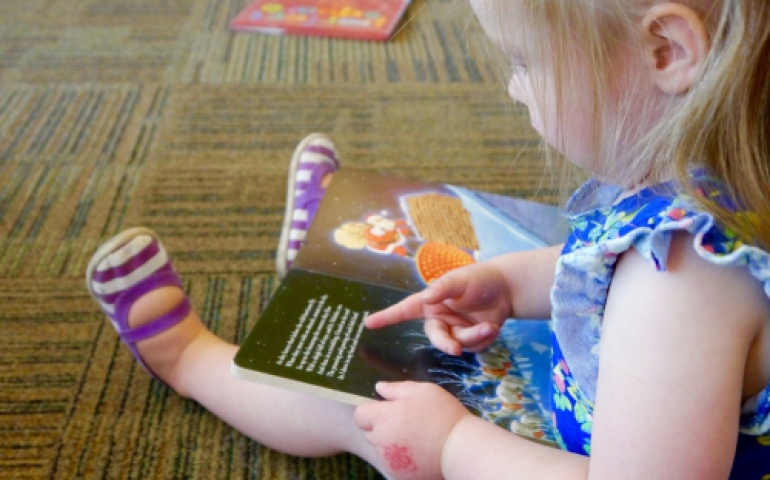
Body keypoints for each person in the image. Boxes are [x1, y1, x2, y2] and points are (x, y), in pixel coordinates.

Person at [85, 0, 770, 478]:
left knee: (365, 407)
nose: (512, 88)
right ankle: (328, 250)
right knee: (472, 243)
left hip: (573, 457)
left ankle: (188, 357)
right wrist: (511, 284)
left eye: (523, 60)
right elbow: (596, 263)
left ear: (666, 51)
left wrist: (450, 446)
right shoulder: (715, 183)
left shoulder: (677, 286)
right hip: (622, 408)